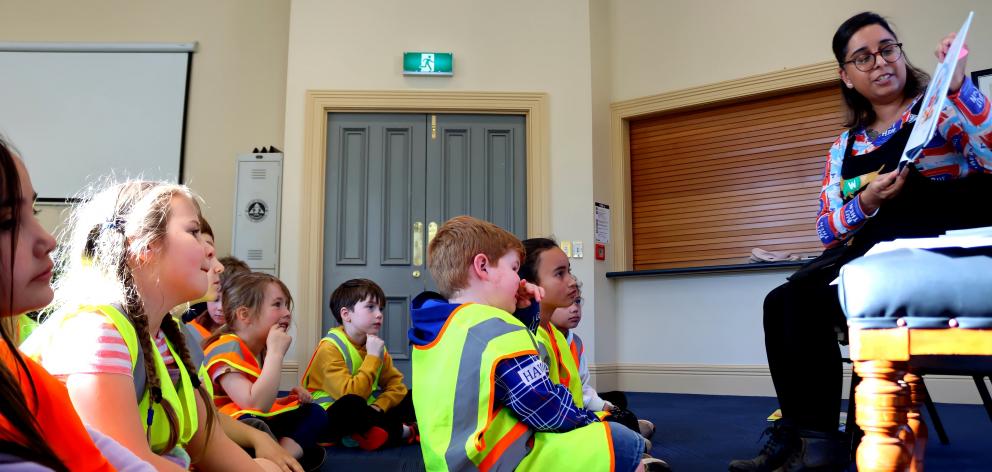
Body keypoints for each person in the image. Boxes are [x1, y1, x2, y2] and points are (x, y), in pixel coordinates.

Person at [730, 11, 992, 472]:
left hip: (932, 263)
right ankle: (812, 439)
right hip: (865, 264)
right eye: (863, 57)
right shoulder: (843, 147)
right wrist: (866, 199)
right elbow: (827, 228)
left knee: (816, 307)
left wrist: (960, 90)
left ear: (901, 54)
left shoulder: (944, 109)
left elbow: (989, 158)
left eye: (888, 49)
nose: (879, 62)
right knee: (784, 302)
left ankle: (824, 442)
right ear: (846, 76)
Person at [22, 179, 279, 471]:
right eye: (194, 232)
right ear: (143, 246)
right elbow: (125, 464)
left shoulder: (166, 337)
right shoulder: (97, 332)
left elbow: (208, 444)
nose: (211, 254)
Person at [408, 215, 669, 471]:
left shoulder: (443, 327)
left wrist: (523, 314)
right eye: (513, 268)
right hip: (501, 460)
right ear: (483, 266)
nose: (520, 280)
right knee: (616, 440)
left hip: (450, 462)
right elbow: (544, 407)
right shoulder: (496, 329)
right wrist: (593, 422)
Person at [0, 136, 154, 471]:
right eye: (8, 223)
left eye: (34, 211)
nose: (48, 239)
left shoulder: (15, 370)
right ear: (144, 249)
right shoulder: (96, 331)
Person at [519, 238, 656, 446]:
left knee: (623, 425)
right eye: (559, 274)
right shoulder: (528, 338)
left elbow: (576, 391)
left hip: (572, 420)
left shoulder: (555, 334)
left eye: (569, 271)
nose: (572, 281)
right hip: (555, 434)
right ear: (530, 284)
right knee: (626, 439)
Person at [203, 272, 326, 469]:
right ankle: (284, 459)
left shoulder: (256, 349)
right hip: (227, 427)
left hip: (252, 419)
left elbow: (262, 400)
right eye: (277, 304)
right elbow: (254, 404)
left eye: (287, 305)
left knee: (314, 413)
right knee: (253, 422)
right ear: (244, 315)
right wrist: (275, 354)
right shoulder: (226, 347)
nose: (287, 312)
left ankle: (282, 457)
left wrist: (285, 400)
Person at [301, 278, 417, 450]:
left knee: (414, 396)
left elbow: (396, 386)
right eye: (370, 307)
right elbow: (351, 394)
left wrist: (379, 406)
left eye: (380, 309)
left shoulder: (375, 346)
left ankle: (364, 432)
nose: (379, 314)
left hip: (367, 411)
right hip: (329, 416)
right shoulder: (330, 348)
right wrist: (372, 357)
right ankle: (404, 431)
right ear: (346, 314)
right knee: (352, 404)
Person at [548, 287, 656, 442]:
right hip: (563, 411)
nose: (574, 309)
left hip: (577, 401)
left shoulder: (575, 342)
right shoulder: (542, 339)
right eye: (565, 303)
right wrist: (602, 406)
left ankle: (627, 431)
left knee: (618, 399)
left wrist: (602, 404)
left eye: (577, 302)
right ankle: (628, 434)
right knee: (617, 413)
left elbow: (582, 386)